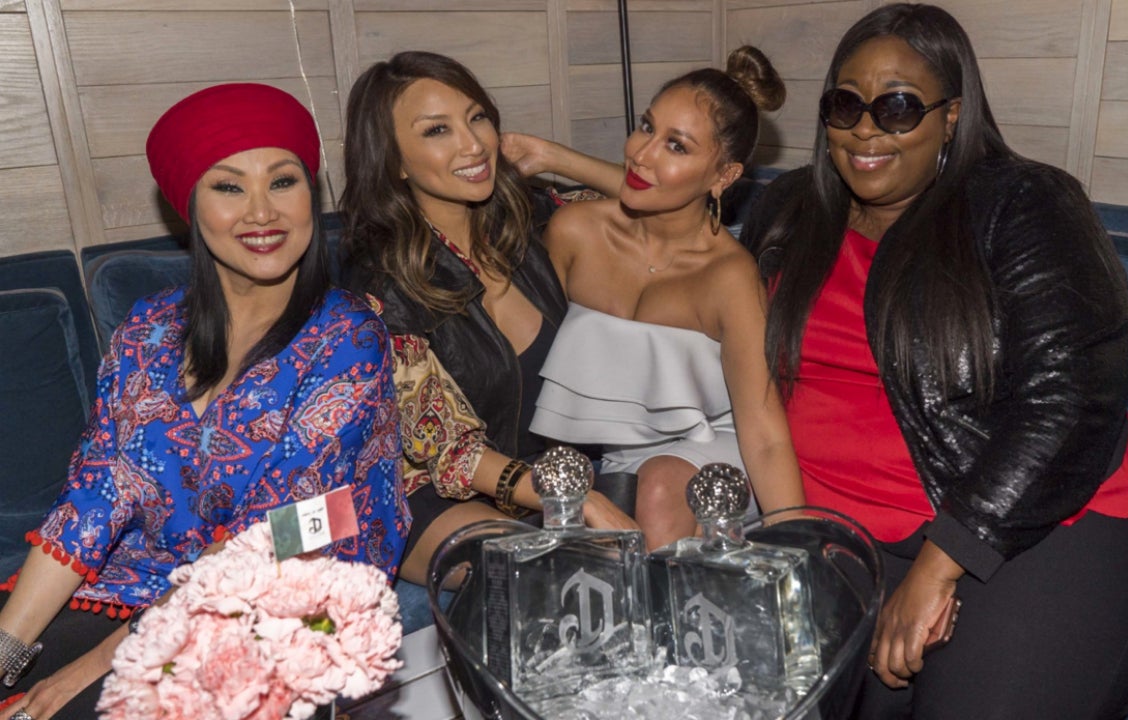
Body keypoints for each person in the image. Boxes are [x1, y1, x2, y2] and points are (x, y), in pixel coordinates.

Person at [740, 5, 1128, 718]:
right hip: (839, 533)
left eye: (898, 107)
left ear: (951, 115)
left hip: (1029, 522)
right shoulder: (790, 210)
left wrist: (944, 561)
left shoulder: (1023, 203)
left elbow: (1070, 399)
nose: (866, 129)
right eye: (846, 105)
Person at [0, 83, 408, 720]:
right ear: (190, 207)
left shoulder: (348, 337)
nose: (262, 212)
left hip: (292, 590)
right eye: (228, 187)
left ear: (311, 194)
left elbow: (281, 531)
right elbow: (97, 493)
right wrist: (7, 646)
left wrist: (92, 669)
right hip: (150, 579)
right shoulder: (149, 329)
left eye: (283, 181)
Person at [341, 51, 635, 586]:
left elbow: (657, 205)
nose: (473, 144)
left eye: (477, 118)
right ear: (394, 161)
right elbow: (451, 450)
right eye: (437, 130)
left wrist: (555, 157)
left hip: (551, 475)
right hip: (433, 495)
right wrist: (577, 497)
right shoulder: (380, 283)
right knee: (542, 578)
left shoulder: (530, 220)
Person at [529, 46, 806, 551]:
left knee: (657, 488)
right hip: (622, 459)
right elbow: (539, 367)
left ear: (723, 177)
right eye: (646, 127)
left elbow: (765, 437)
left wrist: (800, 551)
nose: (642, 153)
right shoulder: (575, 232)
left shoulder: (729, 277)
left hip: (716, 449)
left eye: (676, 146)